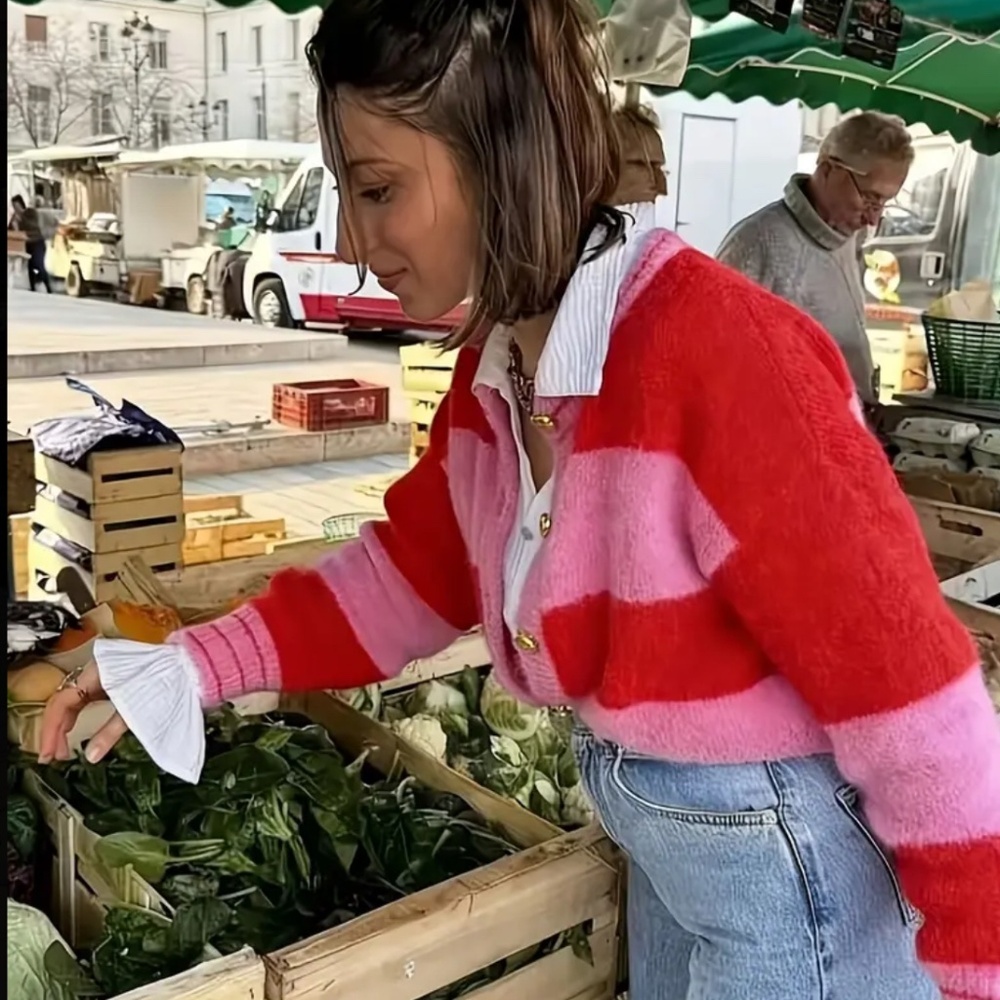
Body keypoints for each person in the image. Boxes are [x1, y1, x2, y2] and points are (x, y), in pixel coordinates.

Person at [40, 4, 999, 1000]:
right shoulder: (498, 369)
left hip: (802, 890)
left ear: (503, 154)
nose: (356, 239)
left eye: (378, 189)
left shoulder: (720, 357)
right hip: (678, 860)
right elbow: (405, 575)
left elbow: (910, 684)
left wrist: (975, 957)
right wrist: (186, 668)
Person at [717, 112, 915, 409]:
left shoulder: (848, 235)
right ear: (827, 169)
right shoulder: (756, 243)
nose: (874, 217)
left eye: (885, 203)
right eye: (869, 198)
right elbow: (719, 364)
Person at [8, 194, 52, 293]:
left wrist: (21, 219)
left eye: (16, 205)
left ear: (21, 204)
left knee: (38, 264)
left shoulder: (30, 212)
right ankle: (33, 288)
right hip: (26, 245)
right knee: (31, 266)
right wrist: (15, 225)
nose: (15, 208)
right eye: (13, 206)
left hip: (37, 242)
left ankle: (48, 286)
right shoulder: (15, 217)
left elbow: (34, 226)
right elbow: (12, 232)